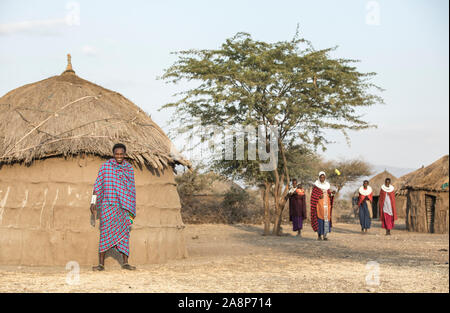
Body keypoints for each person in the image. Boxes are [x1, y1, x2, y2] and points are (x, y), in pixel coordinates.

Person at [90, 143, 137, 271]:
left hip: (124, 207)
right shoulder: (106, 167)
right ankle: (101, 265)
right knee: (105, 232)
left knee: (124, 233)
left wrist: (131, 206)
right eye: (117, 154)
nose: (119, 156)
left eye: (121, 154)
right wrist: (93, 202)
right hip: (108, 206)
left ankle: (125, 263)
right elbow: (97, 185)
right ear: (113, 154)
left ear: (125, 155)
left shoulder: (129, 169)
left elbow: (131, 189)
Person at [310, 172, 336, 240]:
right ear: (319, 178)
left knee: (326, 220)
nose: (322, 178)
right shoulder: (316, 187)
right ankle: (319, 235)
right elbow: (313, 196)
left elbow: (329, 194)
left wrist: (332, 194)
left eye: (323, 177)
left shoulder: (327, 186)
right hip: (319, 206)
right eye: (321, 177)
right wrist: (319, 196)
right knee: (319, 220)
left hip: (327, 205)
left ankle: (325, 236)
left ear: (325, 178)